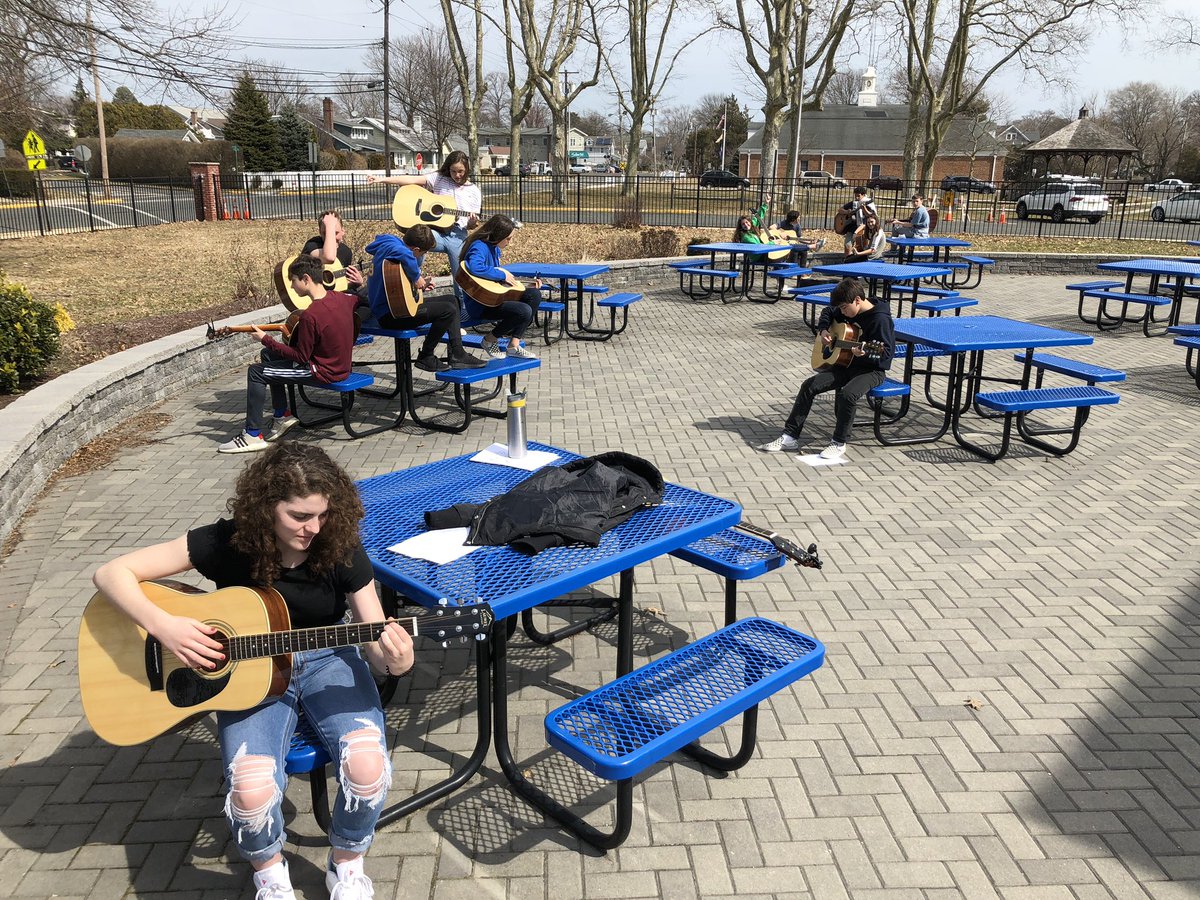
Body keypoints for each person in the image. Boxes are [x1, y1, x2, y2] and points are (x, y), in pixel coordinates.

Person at [92, 442, 414, 900]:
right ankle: (269, 873)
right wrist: (165, 626)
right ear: (266, 509)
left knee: (368, 768)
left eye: (322, 515)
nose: (314, 528)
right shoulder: (229, 541)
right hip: (247, 670)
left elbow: (373, 635)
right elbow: (111, 574)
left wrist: (394, 662)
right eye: (300, 516)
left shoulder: (338, 545)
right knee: (251, 791)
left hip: (327, 659)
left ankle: (346, 862)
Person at [218, 255, 359, 454]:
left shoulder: (311, 315)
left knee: (256, 372)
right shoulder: (343, 298)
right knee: (268, 356)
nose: (292, 287)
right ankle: (281, 414)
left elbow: (300, 357)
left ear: (306, 279)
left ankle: (252, 435)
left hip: (323, 371)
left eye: (293, 281)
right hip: (341, 366)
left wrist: (266, 338)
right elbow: (360, 299)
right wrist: (359, 285)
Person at [758, 277, 895, 460]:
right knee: (809, 385)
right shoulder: (847, 310)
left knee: (848, 394)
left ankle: (839, 443)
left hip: (871, 371)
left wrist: (865, 352)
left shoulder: (880, 320)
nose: (842, 312)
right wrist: (823, 330)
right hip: (846, 366)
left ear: (857, 300)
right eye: (841, 309)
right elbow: (828, 312)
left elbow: (885, 356)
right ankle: (790, 436)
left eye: (844, 308)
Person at [367, 151, 482, 316]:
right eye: (453, 171)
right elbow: (409, 180)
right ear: (448, 169)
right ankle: (411, 281)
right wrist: (381, 179)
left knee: (460, 274)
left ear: (467, 170)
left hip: (457, 234)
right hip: (435, 231)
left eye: (461, 171)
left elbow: (472, 225)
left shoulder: (474, 191)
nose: (457, 175)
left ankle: (463, 312)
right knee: (417, 242)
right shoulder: (439, 179)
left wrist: (472, 222)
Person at [362, 224, 487, 371]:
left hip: (397, 306)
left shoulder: (389, 244)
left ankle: (458, 354)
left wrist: (418, 285)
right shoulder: (397, 248)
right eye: (422, 254)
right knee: (447, 310)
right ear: (415, 249)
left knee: (452, 300)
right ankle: (426, 356)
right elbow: (403, 253)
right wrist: (416, 277)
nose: (420, 257)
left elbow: (395, 285)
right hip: (391, 316)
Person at [459, 214, 542, 360]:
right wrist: (502, 275)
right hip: (481, 303)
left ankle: (513, 345)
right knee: (523, 311)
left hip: (494, 298)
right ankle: (490, 339)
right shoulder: (479, 246)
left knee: (534, 295)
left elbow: (493, 281)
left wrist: (528, 284)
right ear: (498, 235)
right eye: (508, 238)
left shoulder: (494, 248)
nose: (510, 242)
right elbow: (475, 267)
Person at [304, 210, 365, 299]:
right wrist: (330, 226)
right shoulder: (313, 245)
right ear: (320, 232)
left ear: (343, 231)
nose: (331, 237)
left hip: (336, 298)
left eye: (335, 233)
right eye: (326, 233)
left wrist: (356, 283)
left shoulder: (346, 251)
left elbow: (341, 284)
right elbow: (329, 257)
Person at [840, 187, 878, 253]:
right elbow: (840, 210)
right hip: (853, 227)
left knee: (861, 246)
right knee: (847, 245)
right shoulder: (854, 203)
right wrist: (847, 212)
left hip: (865, 228)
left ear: (863, 195)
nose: (856, 198)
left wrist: (864, 209)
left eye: (858, 196)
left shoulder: (868, 203)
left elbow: (871, 215)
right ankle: (847, 260)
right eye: (855, 196)